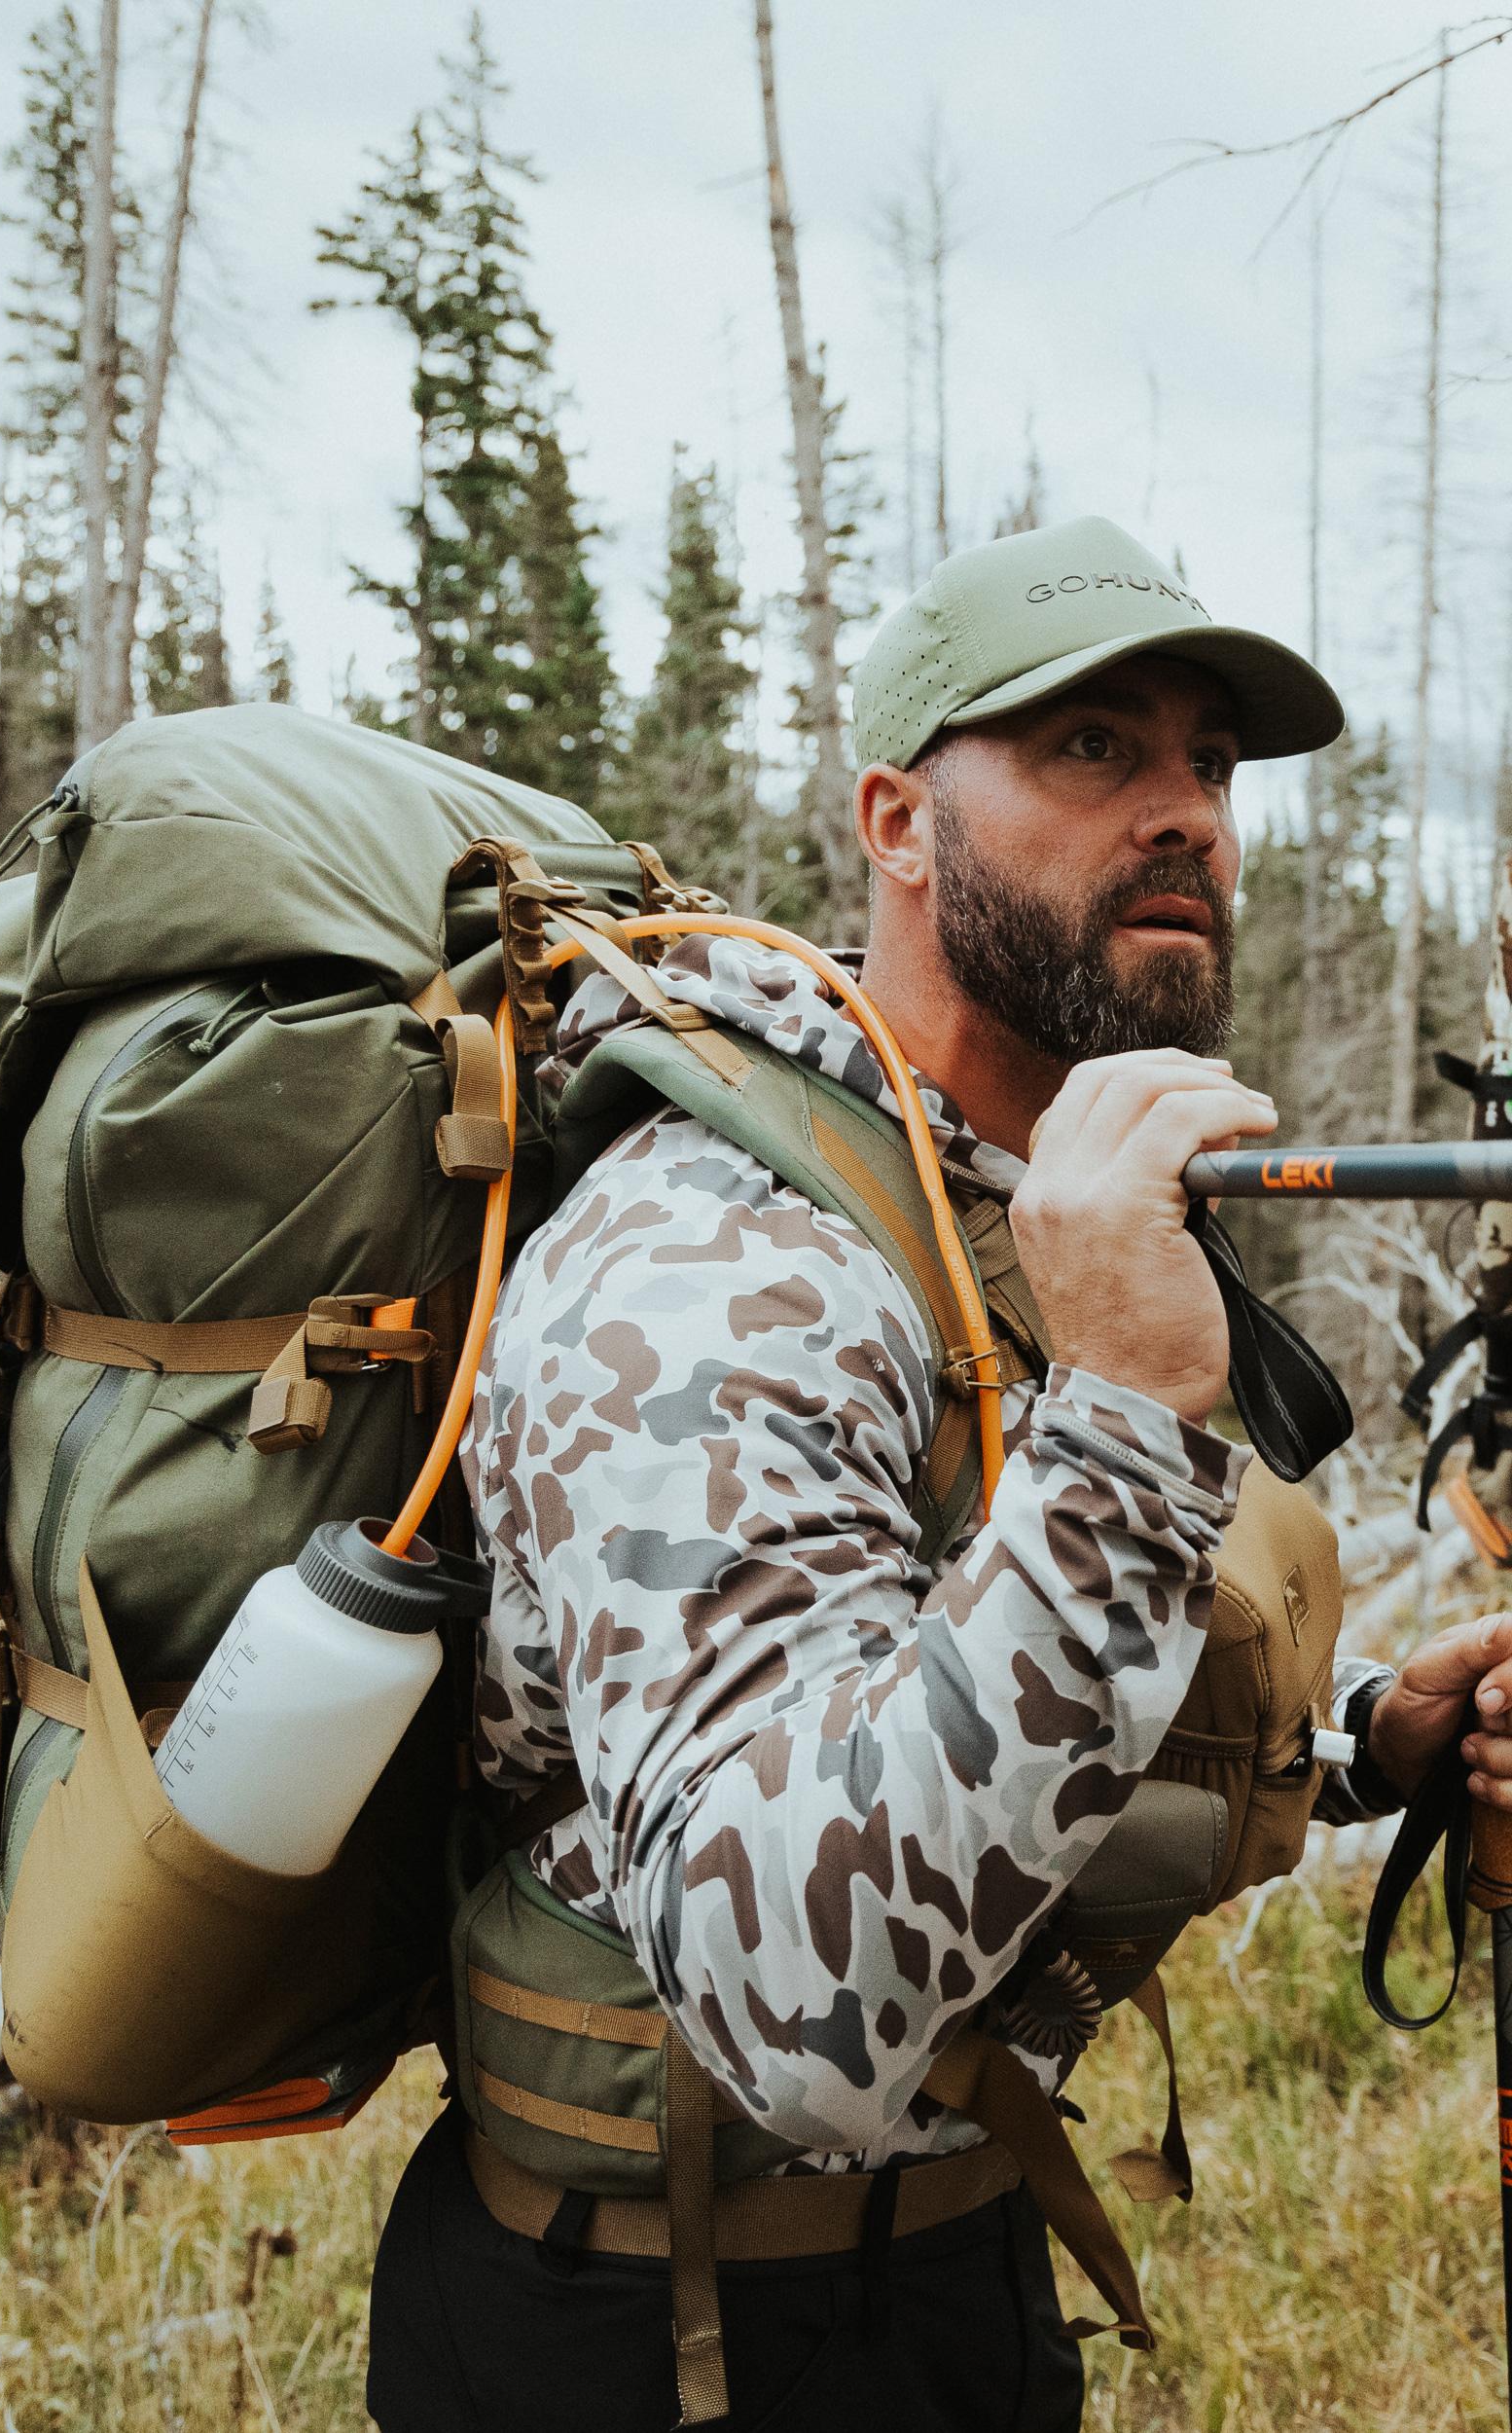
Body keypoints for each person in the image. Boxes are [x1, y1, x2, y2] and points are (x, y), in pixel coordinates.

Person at [367, 516, 1512, 2432]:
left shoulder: (987, 1203)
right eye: (1093, 749)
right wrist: (1137, 1407)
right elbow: (794, 2008)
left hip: (940, 2278)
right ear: (897, 821)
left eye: (1210, 766)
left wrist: (1359, 1757)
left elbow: (945, 1698)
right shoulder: (716, 1267)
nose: (1186, 817)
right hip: (652, 2338)